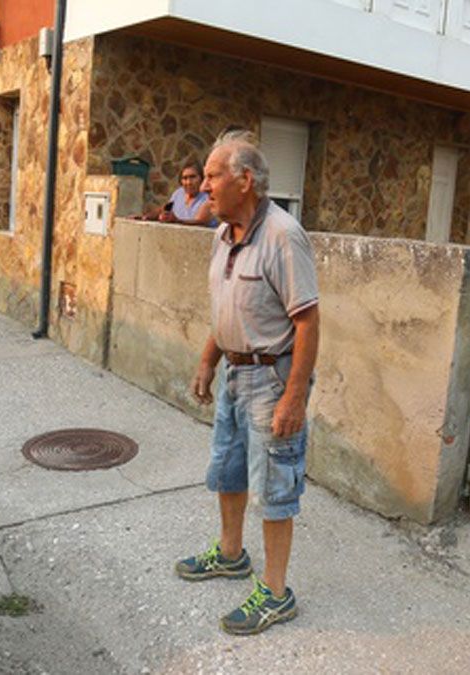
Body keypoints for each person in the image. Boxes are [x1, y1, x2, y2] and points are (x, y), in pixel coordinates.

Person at [175, 129, 320, 636]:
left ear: (247, 180)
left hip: (271, 380)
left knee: (275, 488)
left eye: (213, 176)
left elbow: (307, 321)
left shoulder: (283, 234)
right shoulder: (223, 233)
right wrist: (207, 362)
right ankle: (232, 554)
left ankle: (277, 594)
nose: (204, 185)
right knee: (228, 469)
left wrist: (294, 396)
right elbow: (226, 308)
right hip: (235, 373)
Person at [139, 161, 215, 226]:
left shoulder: (207, 197)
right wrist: (146, 217)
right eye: (185, 178)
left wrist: (176, 221)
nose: (188, 182)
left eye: (193, 177)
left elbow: (200, 222)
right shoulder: (179, 193)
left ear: (201, 178)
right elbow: (164, 209)